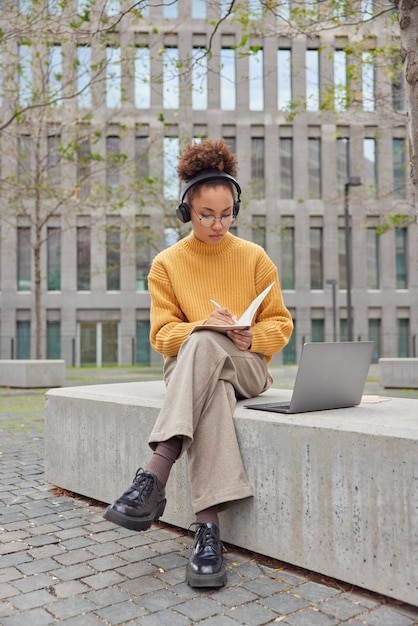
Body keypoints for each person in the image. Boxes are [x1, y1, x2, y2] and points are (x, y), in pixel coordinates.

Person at [104, 138, 293, 588]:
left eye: (227, 214)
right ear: (186, 208)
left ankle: (154, 475)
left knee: (211, 347)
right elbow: (161, 335)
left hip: (247, 364)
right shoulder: (167, 263)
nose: (218, 224)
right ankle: (208, 531)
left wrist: (252, 335)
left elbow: (282, 324)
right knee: (209, 371)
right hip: (191, 366)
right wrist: (201, 326)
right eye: (207, 215)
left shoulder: (254, 257)